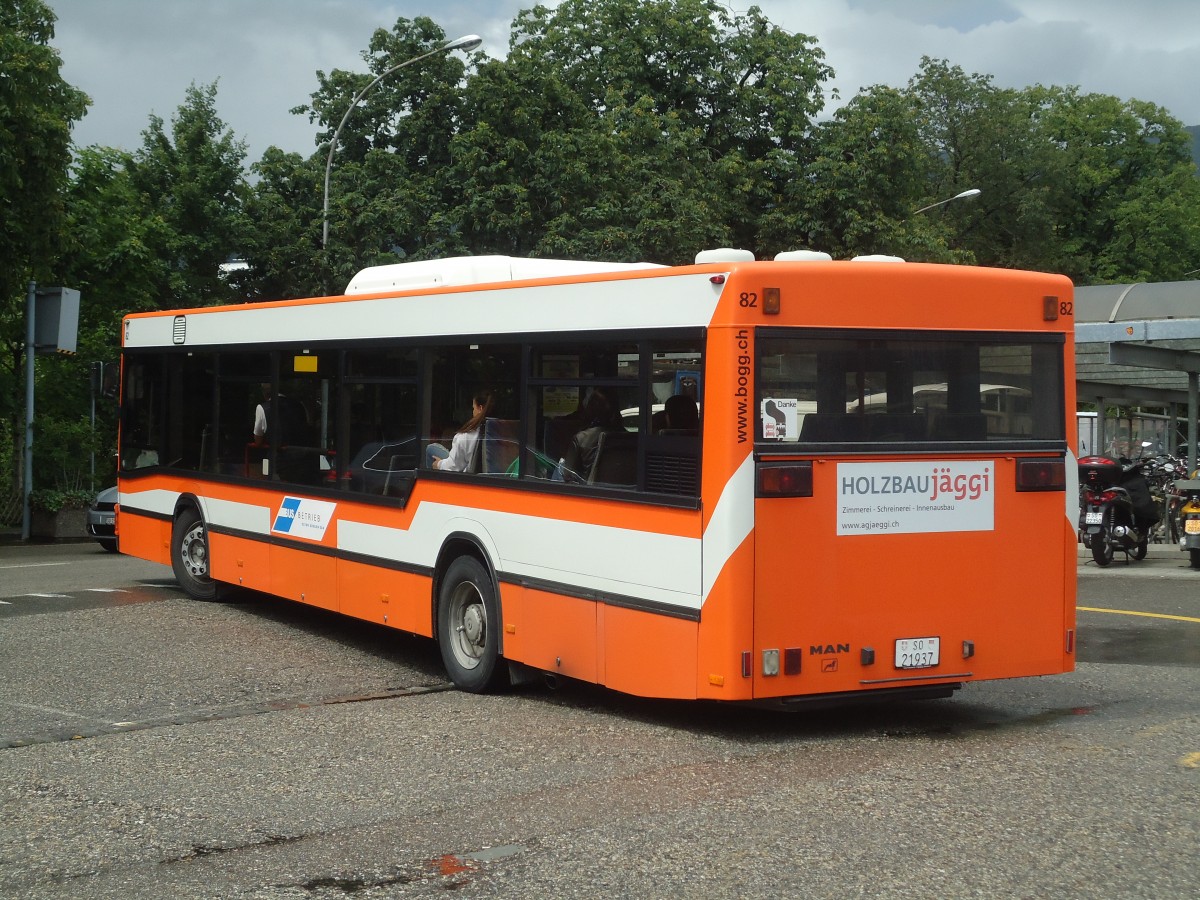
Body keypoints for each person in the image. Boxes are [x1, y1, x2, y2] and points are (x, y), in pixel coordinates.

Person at [558, 389, 621, 481]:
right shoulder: (628, 437)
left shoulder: (581, 438)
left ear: (590, 409)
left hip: (589, 487)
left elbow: (567, 475)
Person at [429, 391, 494, 471]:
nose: (473, 412)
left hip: (466, 476)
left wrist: (438, 464)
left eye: (473, 408)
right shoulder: (502, 435)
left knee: (431, 449)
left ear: (480, 408)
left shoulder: (465, 437)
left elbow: (454, 466)